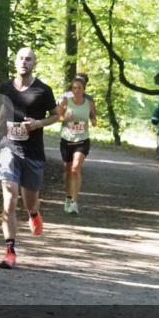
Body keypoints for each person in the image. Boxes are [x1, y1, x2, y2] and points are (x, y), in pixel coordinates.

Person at [0, 47, 59, 269]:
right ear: (15, 61)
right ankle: (10, 252)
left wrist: (38, 124)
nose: (24, 62)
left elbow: (57, 115)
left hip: (33, 153)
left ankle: (34, 213)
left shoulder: (43, 91)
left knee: (29, 199)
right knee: (9, 198)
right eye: (20, 58)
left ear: (34, 63)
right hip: (9, 148)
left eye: (28, 59)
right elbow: (6, 106)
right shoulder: (5, 87)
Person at [57, 73, 97, 214]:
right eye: (74, 88)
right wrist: (64, 117)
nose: (77, 90)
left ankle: (74, 202)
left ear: (84, 89)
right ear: (71, 89)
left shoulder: (89, 102)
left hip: (82, 140)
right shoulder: (66, 101)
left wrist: (93, 121)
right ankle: (68, 197)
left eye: (79, 88)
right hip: (67, 139)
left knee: (75, 169)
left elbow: (93, 115)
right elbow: (57, 116)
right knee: (67, 171)